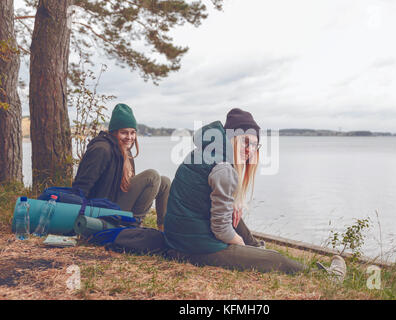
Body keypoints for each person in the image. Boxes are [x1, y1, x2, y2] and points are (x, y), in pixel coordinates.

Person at [162, 108, 347, 280]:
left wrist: (232, 205)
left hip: (179, 238)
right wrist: (239, 243)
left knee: (234, 215)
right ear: (231, 139)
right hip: (193, 249)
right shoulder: (224, 168)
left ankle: (257, 250)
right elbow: (221, 230)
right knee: (277, 261)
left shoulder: (206, 153)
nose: (250, 150)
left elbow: (205, 202)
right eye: (246, 142)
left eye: (255, 146)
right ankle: (329, 278)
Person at [72, 103, 171, 231]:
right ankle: (134, 225)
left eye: (132, 133)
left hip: (117, 201)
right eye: (124, 133)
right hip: (103, 208)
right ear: (114, 132)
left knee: (165, 182)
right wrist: (77, 217)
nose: (129, 137)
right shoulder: (101, 149)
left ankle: (164, 229)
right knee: (152, 176)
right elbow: (81, 186)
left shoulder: (125, 150)